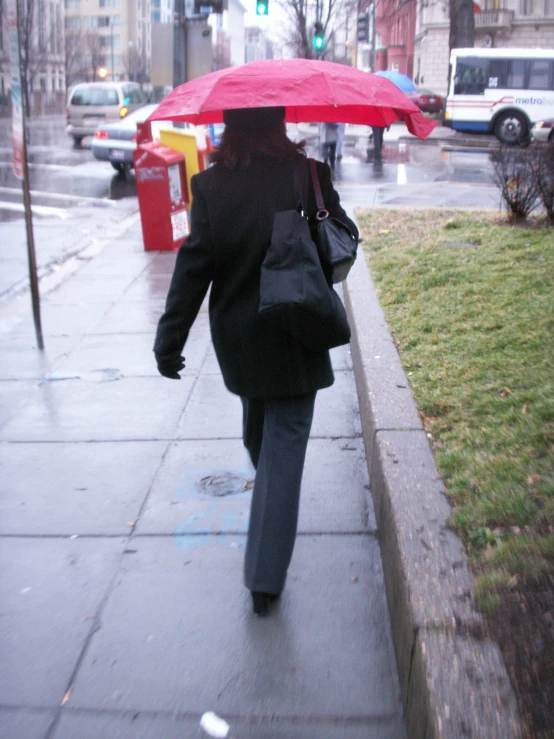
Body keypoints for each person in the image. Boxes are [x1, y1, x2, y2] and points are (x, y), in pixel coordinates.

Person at [153, 106, 358, 616]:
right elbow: (344, 237)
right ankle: (274, 509)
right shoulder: (306, 174)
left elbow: (193, 270)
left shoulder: (212, 187)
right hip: (297, 329)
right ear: (279, 124)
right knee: (275, 451)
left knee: (269, 443)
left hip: (242, 341)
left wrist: (169, 339)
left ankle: (264, 577)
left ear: (230, 127)